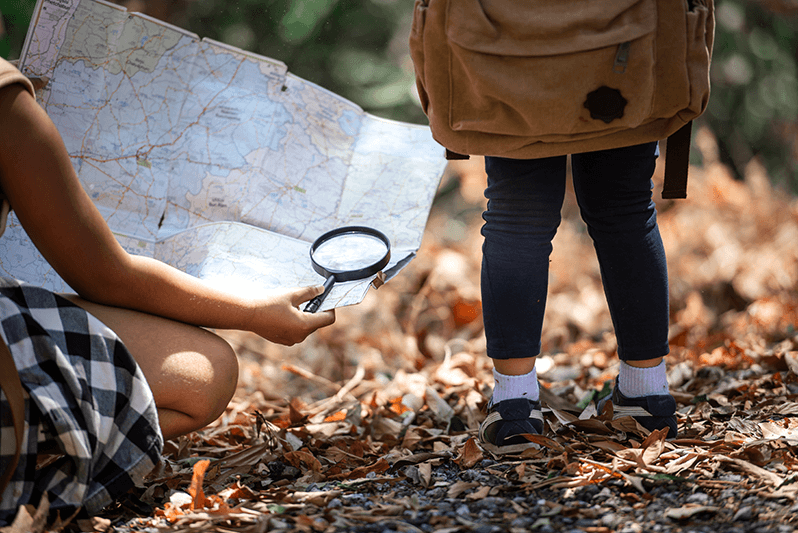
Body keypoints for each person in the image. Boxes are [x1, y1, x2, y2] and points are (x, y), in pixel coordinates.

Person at [0, 57, 335, 522]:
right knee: (205, 371)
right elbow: (105, 274)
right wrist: (253, 313)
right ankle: (37, 471)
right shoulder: (6, 102)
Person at [476, 144, 678, 455]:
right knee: (625, 203)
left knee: (519, 207)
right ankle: (647, 393)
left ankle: (513, 403)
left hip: (524, 94)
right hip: (621, 95)